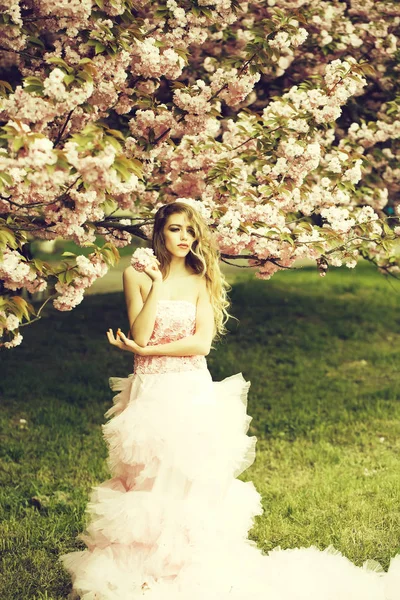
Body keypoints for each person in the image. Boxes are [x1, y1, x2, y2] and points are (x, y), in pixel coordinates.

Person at [60, 201, 399, 600]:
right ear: (160, 233)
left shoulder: (201, 278)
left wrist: (148, 351)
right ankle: (145, 566)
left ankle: (186, 568)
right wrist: (156, 286)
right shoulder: (137, 274)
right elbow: (142, 329)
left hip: (189, 389)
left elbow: (200, 344)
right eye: (174, 229)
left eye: (189, 230)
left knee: (186, 481)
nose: (184, 237)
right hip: (149, 393)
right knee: (146, 482)